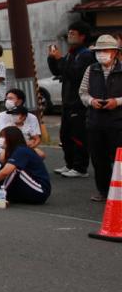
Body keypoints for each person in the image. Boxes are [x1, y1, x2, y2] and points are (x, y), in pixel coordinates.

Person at [48, 21, 94, 177]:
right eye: (69, 33)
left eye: (73, 33)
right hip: (67, 102)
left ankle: (80, 168)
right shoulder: (71, 54)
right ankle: (70, 164)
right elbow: (59, 72)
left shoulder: (86, 55)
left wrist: (60, 59)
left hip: (78, 103)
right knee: (65, 135)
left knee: (78, 136)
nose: (69, 36)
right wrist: (52, 59)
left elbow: (75, 75)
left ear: (82, 36)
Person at [80, 33, 122, 202]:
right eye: (99, 50)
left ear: (115, 52)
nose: (101, 53)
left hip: (118, 122)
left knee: (119, 159)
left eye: (105, 50)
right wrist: (91, 101)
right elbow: (82, 93)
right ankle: (103, 191)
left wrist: (117, 102)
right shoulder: (91, 69)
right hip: (95, 121)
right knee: (98, 159)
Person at [0, 125, 51, 207]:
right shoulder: (13, 151)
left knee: (11, 170)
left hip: (40, 190)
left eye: (3, 137)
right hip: (27, 190)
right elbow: (1, 161)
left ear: (11, 138)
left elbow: (6, 172)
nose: (1, 140)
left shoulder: (22, 150)